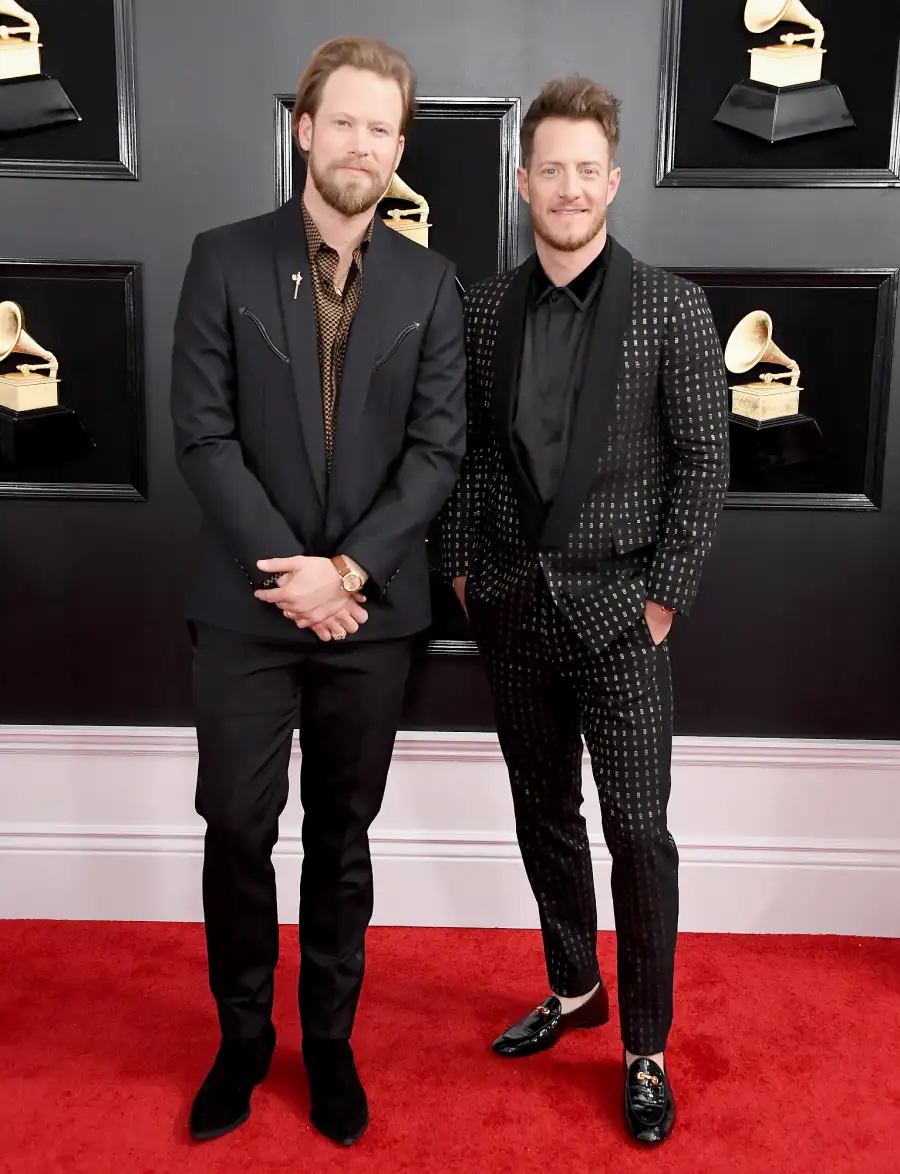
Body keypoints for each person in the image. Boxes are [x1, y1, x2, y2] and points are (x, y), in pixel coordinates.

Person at [170, 35, 466, 1147]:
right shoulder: (223, 258)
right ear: (304, 127)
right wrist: (293, 577)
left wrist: (344, 574)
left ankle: (327, 1043)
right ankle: (243, 1040)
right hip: (245, 608)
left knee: (344, 836)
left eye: (383, 129)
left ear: (399, 150)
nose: (363, 145)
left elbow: (436, 455)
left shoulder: (432, 283)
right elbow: (201, 439)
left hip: (370, 613)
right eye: (344, 122)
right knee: (239, 828)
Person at [439, 76, 729, 1146]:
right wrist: (467, 572)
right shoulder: (480, 307)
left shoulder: (672, 306)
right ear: (524, 183)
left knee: (638, 833)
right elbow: (466, 454)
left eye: (585, 170)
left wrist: (663, 603)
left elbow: (704, 466)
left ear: (612, 179)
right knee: (542, 813)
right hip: (512, 609)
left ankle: (644, 1045)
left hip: (621, 621)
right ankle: (574, 986)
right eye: (547, 169)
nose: (567, 187)